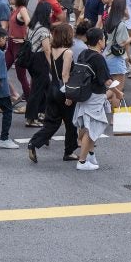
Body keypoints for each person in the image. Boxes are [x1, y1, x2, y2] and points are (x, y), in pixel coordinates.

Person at [28, 22, 79, 162]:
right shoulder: (68, 52)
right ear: (67, 35)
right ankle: (69, 152)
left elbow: (53, 69)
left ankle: (34, 142)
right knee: (70, 123)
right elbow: (65, 75)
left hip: (53, 89)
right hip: (63, 91)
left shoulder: (53, 49)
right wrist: (69, 94)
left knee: (52, 122)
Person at [72, 28, 115, 171]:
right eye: (103, 38)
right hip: (94, 96)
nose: (105, 41)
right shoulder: (98, 58)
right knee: (91, 130)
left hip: (83, 95)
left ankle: (90, 155)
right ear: (99, 41)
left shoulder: (83, 53)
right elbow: (107, 81)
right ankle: (82, 161)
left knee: (87, 126)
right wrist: (118, 93)